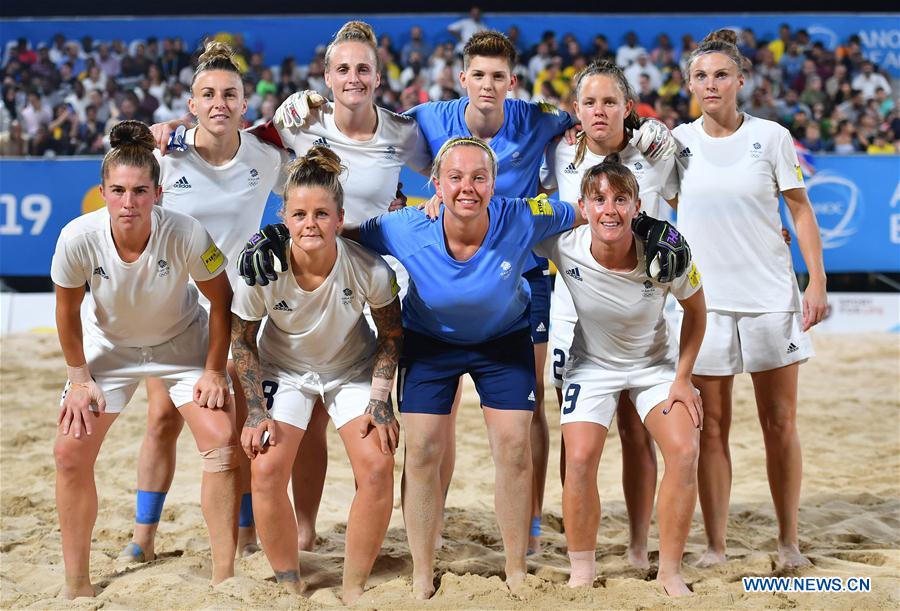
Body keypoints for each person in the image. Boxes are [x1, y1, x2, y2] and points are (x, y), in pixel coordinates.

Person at [153, 21, 426, 554]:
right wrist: (173, 129)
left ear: (378, 75)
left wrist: (432, 202)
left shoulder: (403, 132)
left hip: (371, 284)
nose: (353, 77)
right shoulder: (299, 121)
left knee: (331, 417)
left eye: (363, 68)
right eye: (342, 68)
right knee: (285, 418)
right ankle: (261, 528)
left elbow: (450, 162)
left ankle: (305, 528)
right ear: (325, 76)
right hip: (303, 283)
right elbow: (235, 138)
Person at [404, 30, 676, 554]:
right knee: (439, 415)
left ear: (512, 81)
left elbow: (596, 116)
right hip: (452, 272)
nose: (487, 84)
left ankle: (529, 525)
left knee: (530, 407)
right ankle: (429, 530)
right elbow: (382, 138)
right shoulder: (430, 117)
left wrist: (642, 127)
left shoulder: (542, 120)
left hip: (525, 277)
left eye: (498, 76)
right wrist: (426, 199)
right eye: (478, 75)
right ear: (463, 79)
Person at [51, 121, 238, 598]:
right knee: (69, 453)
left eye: (139, 191)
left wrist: (215, 369)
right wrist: (77, 377)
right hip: (108, 352)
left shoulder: (186, 232)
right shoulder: (77, 238)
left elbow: (223, 298)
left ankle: (224, 578)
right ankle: (77, 583)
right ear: (103, 192)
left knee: (220, 443)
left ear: (158, 192)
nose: (128, 202)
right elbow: (67, 312)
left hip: (181, 345)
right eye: (117, 191)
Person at [122, 41, 288, 564]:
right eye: (208, 94)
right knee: (161, 421)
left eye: (230, 94)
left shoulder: (266, 155)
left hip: (239, 311)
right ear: (191, 104)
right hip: (171, 309)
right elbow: (120, 194)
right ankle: (143, 538)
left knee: (239, 422)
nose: (220, 102)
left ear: (245, 103)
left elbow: (313, 189)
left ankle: (244, 535)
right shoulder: (165, 154)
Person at [674, 29, 827, 569]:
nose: (710, 83)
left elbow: (800, 212)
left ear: (741, 80)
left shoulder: (773, 137)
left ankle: (789, 542)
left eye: (720, 74)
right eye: (700, 75)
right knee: (711, 428)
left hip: (769, 298)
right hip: (705, 305)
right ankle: (716, 547)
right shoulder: (677, 143)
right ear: (688, 83)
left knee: (780, 422)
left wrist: (817, 281)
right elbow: (667, 212)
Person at [231, 147, 402, 605]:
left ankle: (353, 584)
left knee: (378, 463)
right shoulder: (261, 272)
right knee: (265, 470)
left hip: (351, 370)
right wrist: (254, 412)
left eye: (322, 214)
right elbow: (242, 341)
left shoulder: (368, 268)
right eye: (300, 213)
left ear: (340, 218)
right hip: (283, 370)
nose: (311, 223)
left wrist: (380, 402)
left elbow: (390, 334)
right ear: (284, 217)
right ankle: (289, 583)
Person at [535, 158, 705, 596]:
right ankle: (582, 568)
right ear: (583, 207)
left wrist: (683, 378)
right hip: (591, 366)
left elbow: (697, 313)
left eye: (620, 199)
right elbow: (506, 222)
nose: (609, 209)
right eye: (599, 200)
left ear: (636, 205)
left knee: (685, 451)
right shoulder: (564, 244)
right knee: (578, 459)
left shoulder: (668, 251)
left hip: (654, 365)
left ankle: (669, 570)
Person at [540, 59, 678, 570]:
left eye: (610, 101)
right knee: (577, 436)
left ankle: (640, 545)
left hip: (644, 312)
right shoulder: (559, 151)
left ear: (628, 107)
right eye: (590, 102)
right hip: (577, 311)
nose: (600, 111)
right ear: (577, 110)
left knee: (637, 431)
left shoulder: (657, 150)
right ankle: (577, 546)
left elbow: (698, 201)